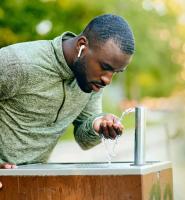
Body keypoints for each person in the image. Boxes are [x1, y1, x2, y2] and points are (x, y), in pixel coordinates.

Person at [0, 14, 135, 169]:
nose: (108, 80)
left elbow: (83, 140)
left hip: (29, 180)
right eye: (105, 67)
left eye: (116, 72)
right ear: (81, 45)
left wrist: (96, 125)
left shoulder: (90, 80)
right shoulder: (18, 62)